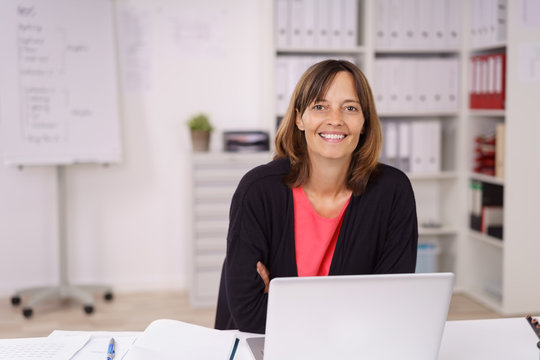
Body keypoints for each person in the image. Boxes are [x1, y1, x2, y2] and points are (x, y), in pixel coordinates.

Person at [215, 59, 418, 334]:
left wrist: (281, 301)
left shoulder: (393, 191)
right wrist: (349, 309)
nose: (335, 119)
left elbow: (390, 306)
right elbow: (250, 314)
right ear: (300, 118)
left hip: (351, 349)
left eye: (350, 108)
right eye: (320, 106)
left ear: (364, 121)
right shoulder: (258, 190)